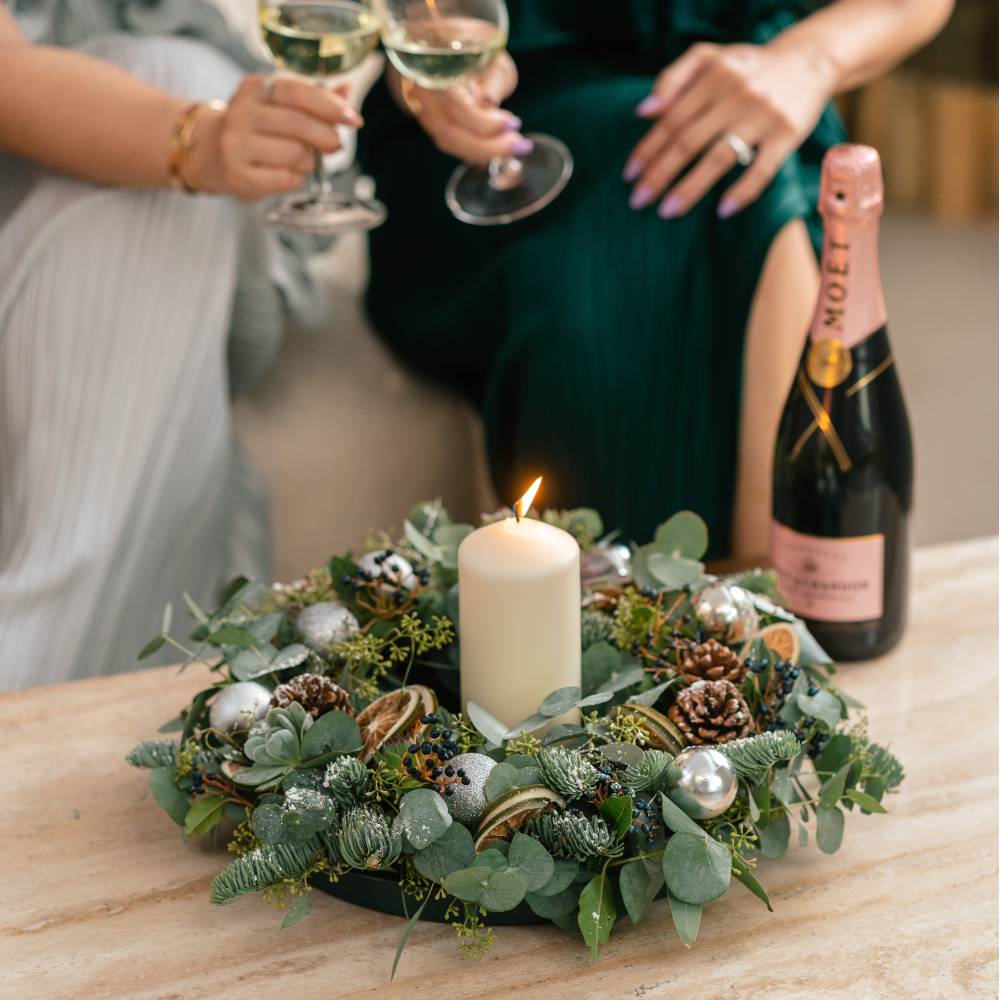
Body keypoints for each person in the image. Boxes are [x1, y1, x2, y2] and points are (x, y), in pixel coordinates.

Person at [360, 0, 952, 557]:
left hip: (764, 90)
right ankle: (752, 625)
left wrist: (809, 61)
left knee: (740, 169)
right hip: (504, 134)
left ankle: (682, 630)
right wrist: (427, 77)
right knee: (721, 188)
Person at [0, 1, 363, 689]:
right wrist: (200, 141)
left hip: (193, 212)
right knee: (175, 80)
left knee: (177, 73)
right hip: (128, 166)